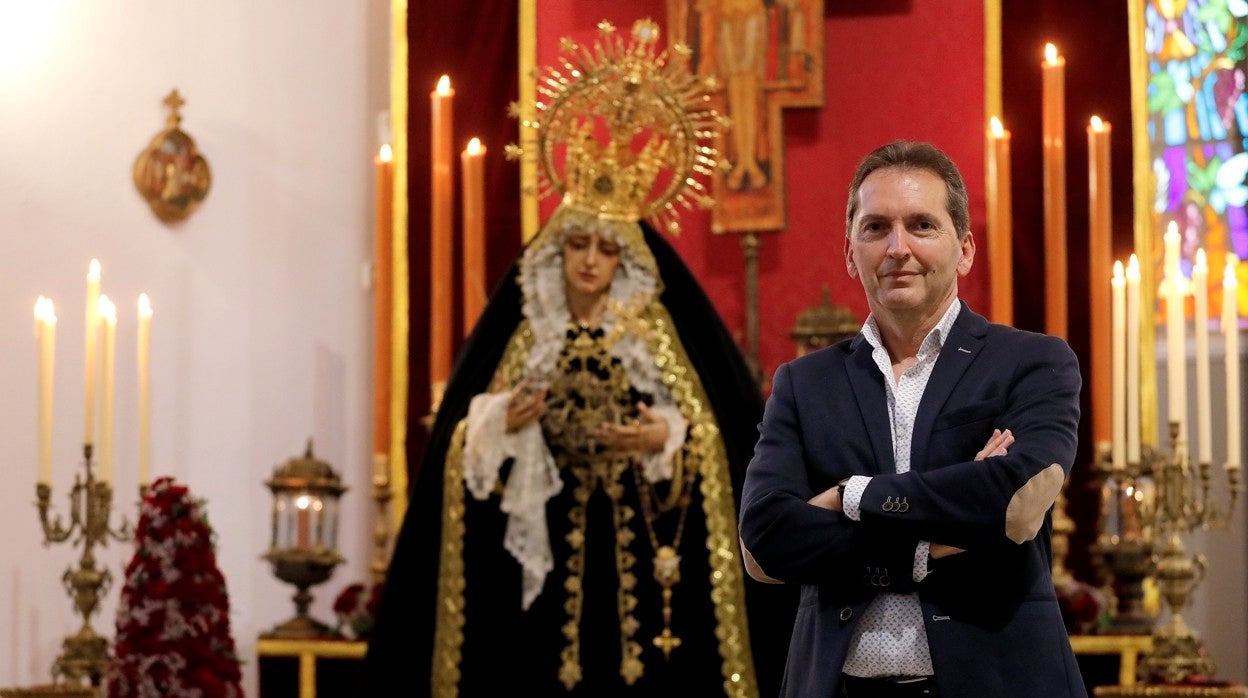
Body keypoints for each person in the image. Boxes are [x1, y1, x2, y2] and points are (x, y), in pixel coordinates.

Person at [361, 19, 795, 697]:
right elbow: (460, 448)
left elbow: (722, 443)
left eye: (606, 250)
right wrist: (502, 421)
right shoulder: (529, 329)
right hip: (546, 553)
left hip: (648, 565)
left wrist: (667, 438)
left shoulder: (662, 336)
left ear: (624, 258)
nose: (591, 262)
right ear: (557, 251)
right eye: (577, 247)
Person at [738, 140, 1087, 697]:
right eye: (876, 228)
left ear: (965, 248)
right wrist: (930, 541)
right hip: (837, 686)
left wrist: (850, 497)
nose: (898, 248)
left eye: (922, 225)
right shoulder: (802, 385)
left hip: (997, 680)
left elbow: (1015, 496)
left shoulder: (1034, 362)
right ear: (851, 253)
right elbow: (765, 537)